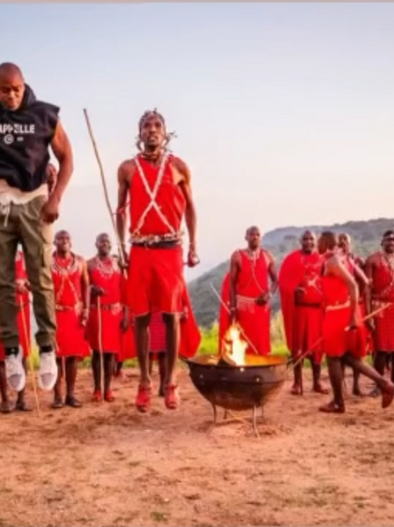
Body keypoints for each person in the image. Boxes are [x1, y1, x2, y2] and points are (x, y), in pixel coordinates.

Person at [0, 62, 74, 394]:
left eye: (16, 89)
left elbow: (67, 157)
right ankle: (12, 351)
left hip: (34, 199)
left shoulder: (45, 114)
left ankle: (46, 349)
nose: (11, 95)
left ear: (24, 85)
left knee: (40, 275)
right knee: (1, 280)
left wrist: (55, 198)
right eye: (4, 90)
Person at [116, 109, 199, 412]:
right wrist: (121, 246)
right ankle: (144, 382)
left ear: (165, 132)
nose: (152, 130)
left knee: (171, 314)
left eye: (157, 126)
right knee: (140, 317)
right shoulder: (127, 168)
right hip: (139, 250)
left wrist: (193, 245)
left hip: (170, 250)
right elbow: (120, 210)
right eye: (146, 126)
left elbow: (190, 208)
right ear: (139, 134)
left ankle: (172, 382)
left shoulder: (178, 167)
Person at [316, 231, 394, 413]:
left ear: (326, 242)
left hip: (338, 313)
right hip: (342, 310)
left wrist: (352, 316)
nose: (317, 245)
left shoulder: (333, 261)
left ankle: (338, 402)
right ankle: (385, 383)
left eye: (319, 241)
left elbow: (353, 284)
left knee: (333, 357)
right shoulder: (342, 257)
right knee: (348, 357)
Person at [278, 230, 328, 395]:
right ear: (300, 241)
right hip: (299, 310)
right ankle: (297, 383)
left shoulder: (323, 259)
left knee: (317, 347)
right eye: (305, 239)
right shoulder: (292, 259)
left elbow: (329, 280)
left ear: (316, 241)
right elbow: (283, 281)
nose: (308, 242)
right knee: (297, 346)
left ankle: (317, 382)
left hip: (317, 311)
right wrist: (294, 289)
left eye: (311, 239)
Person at [218, 226, 278, 357]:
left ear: (260, 237)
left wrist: (269, 294)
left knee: (261, 343)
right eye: (252, 234)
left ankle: (259, 370)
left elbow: (276, 281)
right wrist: (233, 308)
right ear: (246, 237)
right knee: (242, 342)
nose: (255, 237)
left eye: (257, 234)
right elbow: (232, 284)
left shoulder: (268, 256)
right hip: (243, 308)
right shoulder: (237, 256)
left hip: (262, 309)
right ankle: (242, 373)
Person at [0, 251, 33, 413]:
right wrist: (12, 285)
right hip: (1, 310)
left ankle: (21, 398)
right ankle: (5, 400)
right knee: (1, 355)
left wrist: (27, 284)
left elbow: (35, 280)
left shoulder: (25, 255)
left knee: (23, 355)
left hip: (22, 308)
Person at [363, 230, 394, 396]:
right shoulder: (372, 260)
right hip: (379, 307)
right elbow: (367, 290)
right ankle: (378, 386)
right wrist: (368, 314)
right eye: (388, 239)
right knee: (381, 349)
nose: (391, 242)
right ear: (382, 242)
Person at [51, 231, 90, 409]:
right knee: (56, 357)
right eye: (60, 238)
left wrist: (86, 309)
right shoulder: (48, 261)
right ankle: (57, 396)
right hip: (55, 314)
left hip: (75, 314)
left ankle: (71, 394)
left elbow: (86, 285)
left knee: (73, 356)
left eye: (67, 238)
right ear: (54, 242)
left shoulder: (80, 261)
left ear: (71, 241)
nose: (64, 241)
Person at [86, 234, 123, 403]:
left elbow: (124, 288)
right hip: (97, 311)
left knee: (111, 354)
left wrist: (126, 313)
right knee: (97, 352)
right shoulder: (89, 264)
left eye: (107, 242)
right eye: (101, 241)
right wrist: (92, 288)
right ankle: (97, 389)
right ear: (96, 244)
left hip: (114, 312)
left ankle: (108, 389)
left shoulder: (118, 264)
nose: (105, 244)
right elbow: (84, 286)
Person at [338, 232, 371, 396]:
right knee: (340, 348)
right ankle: (342, 385)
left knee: (356, 349)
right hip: (341, 310)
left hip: (353, 308)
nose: (343, 243)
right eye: (340, 240)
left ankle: (356, 385)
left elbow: (365, 281)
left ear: (350, 244)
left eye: (346, 241)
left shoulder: (354, 261)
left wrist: (358, 299)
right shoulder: (335, 260)